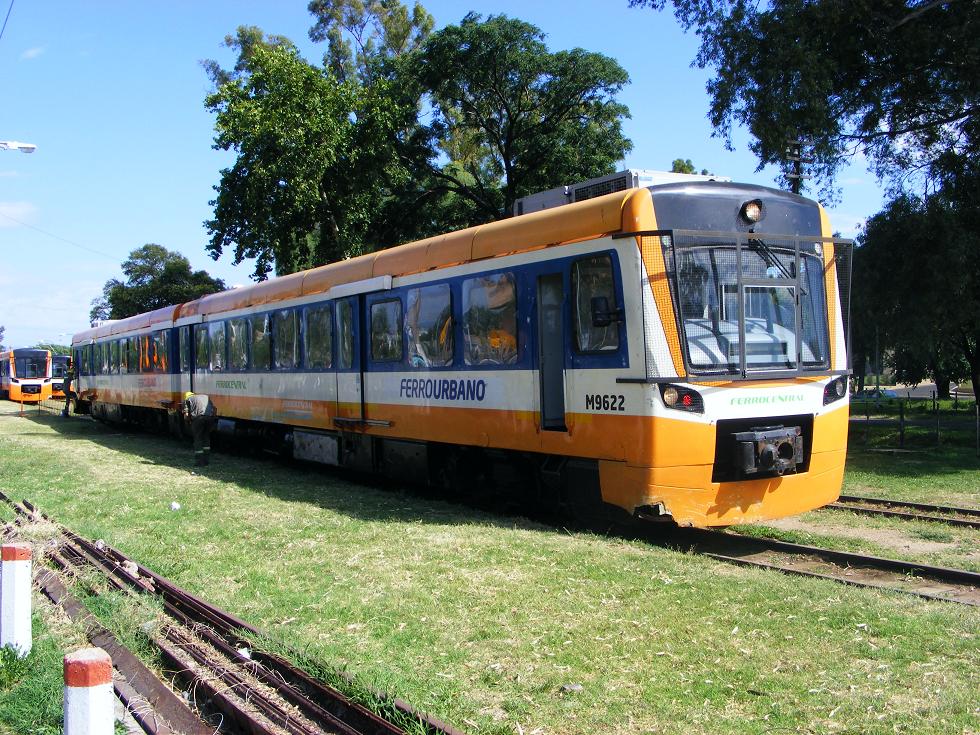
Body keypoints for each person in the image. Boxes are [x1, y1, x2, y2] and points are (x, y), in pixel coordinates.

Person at [182, 391, 217, 466]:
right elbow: (214, 408)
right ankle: (206, 460)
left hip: (198, 419)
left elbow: (186, 415)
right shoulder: (205, 397)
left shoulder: (187, 400)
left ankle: (199, 462)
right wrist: (213, 418)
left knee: (198, 439)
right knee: (206, 437)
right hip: (209, 418)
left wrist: (188, 422)